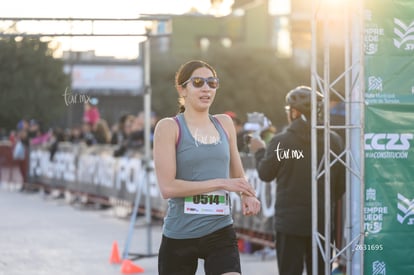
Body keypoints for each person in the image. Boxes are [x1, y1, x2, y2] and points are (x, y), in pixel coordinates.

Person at [153, 60, 261, 275]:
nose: (206, 88)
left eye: (212, 83)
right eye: (198, 82)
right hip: (180, 234)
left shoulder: (224, 123)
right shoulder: (168, 127)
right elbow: (168, 188)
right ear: (182, 89)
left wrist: (247, 194)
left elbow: (237, 175)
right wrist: (220, 183)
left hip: (219, 230)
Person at [249, 86, 345, 275]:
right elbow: (340, 186)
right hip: (322, 222)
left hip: (289, 223)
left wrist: (259, 151)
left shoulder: (282, 141)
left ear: (294, 112)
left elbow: (265, 174)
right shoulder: (333, 140)